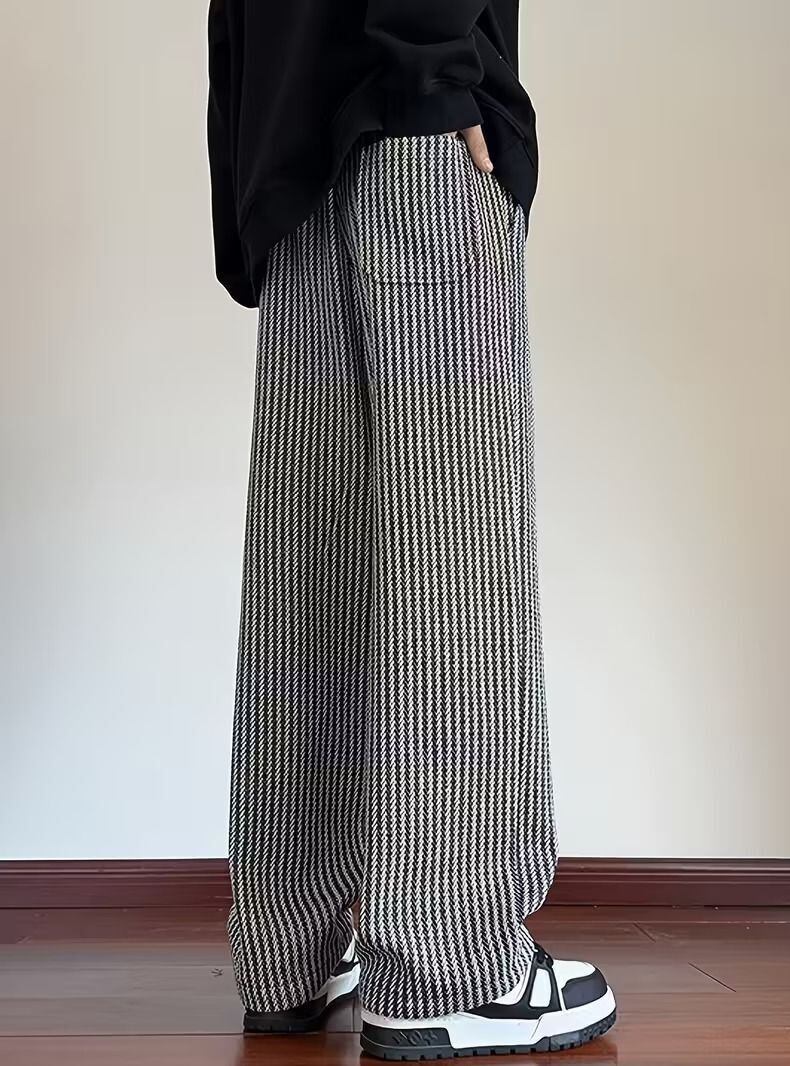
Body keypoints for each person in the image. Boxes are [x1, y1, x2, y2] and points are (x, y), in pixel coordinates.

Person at [206, 1, 616, 1058]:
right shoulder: (422, 93)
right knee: (455, 564)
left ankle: (287, 944)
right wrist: (434, 68)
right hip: (414, 129)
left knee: (312, 564)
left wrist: (248, 160)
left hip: (292, 152)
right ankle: (448, 963)